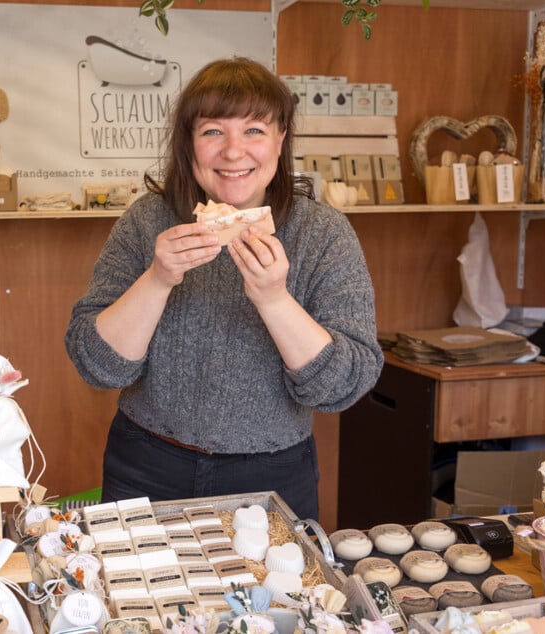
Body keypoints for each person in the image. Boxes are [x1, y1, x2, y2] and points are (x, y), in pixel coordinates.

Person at [64, 57, 383, 521]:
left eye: (254, 130)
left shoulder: (323, 233)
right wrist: (157, 280)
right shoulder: (148, 220)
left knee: (274, 597)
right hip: (146, 465)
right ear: (188, 144)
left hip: (273, 475)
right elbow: (96, 364)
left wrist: (275, 299)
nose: (234, 152)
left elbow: (345, 385)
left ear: (281, 140)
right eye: (213, 131)